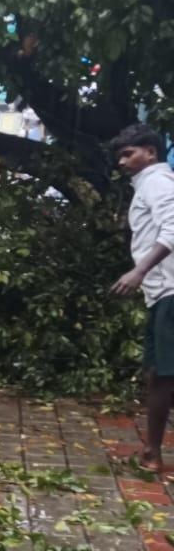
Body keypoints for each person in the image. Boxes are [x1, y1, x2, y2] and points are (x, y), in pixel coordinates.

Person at [109, 124, 174, 470]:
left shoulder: (158, 182)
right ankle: (152, 450)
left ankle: (153, 453)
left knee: (163, 374)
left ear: (150, 152)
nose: (122, 161)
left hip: (169, 290)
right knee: (159, 372)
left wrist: (140, 270)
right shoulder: (147, 185)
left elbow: (173, 227)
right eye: (120, 155)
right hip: (161, 291)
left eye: (128, 153)